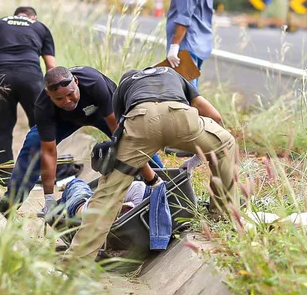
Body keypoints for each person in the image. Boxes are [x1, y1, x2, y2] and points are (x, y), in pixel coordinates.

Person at [66, 66, 239, 262]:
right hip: (180, 116)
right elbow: (215, 117)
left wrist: (148, 177)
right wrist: (197, 158)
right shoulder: (173, 74)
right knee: (225, 144)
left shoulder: (124, 85)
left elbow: (120, 132)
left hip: (140, 121)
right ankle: (221, 216)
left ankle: (75, 261)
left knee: (108, 195)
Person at [0, 65, 163, 217]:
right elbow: (48, 152)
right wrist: (49, 198)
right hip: (65, 120)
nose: (67, 101)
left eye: (71, 94)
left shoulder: (94, 84)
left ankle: (166, 184)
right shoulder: (43, 106)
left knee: (133, 138)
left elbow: (119, 133)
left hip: (103, 112)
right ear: (49, 95)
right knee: (34, 142)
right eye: (59, 99)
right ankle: (10, 203)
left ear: (76, 82)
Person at [0, 6, 56, 185]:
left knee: (3, 126)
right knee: (39, 125)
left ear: (15, 16)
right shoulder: (40, 27)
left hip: (1, 76)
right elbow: (51, 65)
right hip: (31, 77)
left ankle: (5, 177)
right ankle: (35, 173)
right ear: (33, 17)